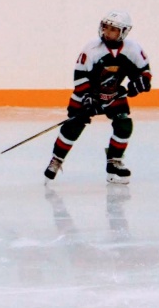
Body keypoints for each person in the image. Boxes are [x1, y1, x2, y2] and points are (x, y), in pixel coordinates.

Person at [44, 10, 152, 184]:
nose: (107, 32)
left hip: (113, 95)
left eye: (113, 29)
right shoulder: (92, 48)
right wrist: (88, 98)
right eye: (106, 27)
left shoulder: (133, 49)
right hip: (87, 95)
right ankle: (56, 159)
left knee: (124, 125)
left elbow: (144, 72)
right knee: (73, 126)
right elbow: (79, 75)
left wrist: (137, 86)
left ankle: (114, 162)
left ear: (123, 32)